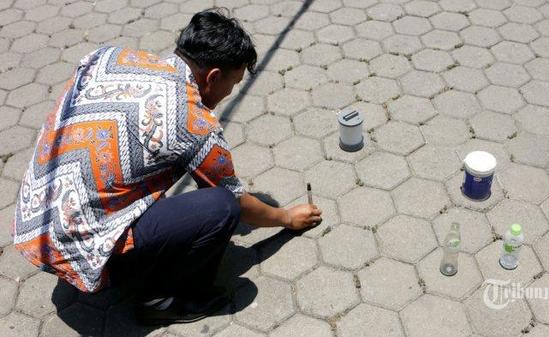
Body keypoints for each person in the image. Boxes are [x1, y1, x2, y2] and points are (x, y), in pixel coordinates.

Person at [12, 9, 322, 325]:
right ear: (213, 76)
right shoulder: (192, 122)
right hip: (80, 245)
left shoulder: (109, 57)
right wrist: (287, 218)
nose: (230, 93)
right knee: (221, 207)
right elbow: (237, 202)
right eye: (233, 82)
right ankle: (162, 300)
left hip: (33, 221)